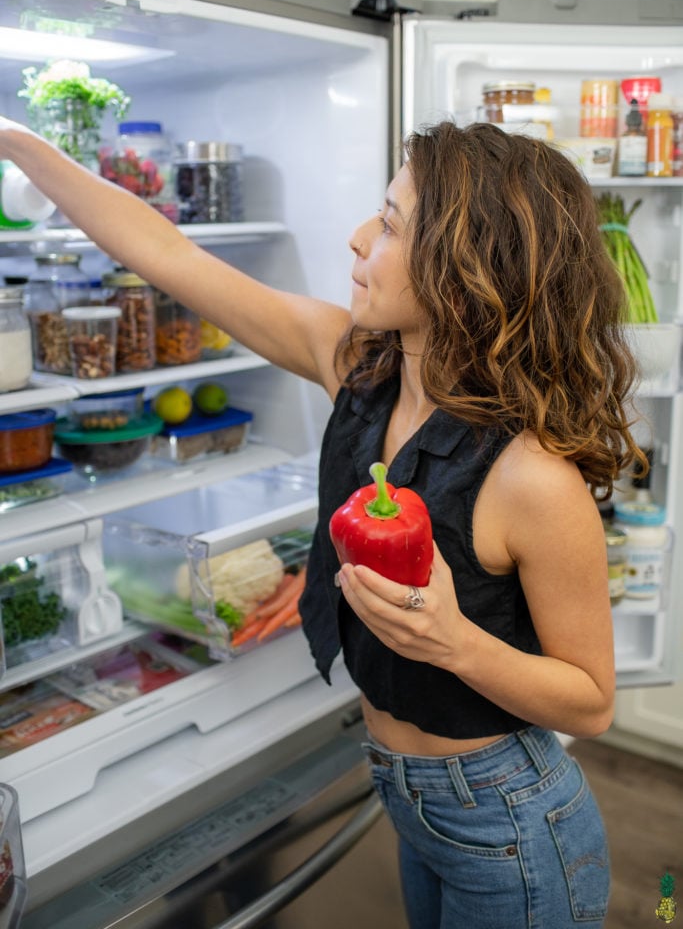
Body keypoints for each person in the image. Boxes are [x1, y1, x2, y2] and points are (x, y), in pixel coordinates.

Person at [0, 116, 645, 928]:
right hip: (405, 791)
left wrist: (454, 640)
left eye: (388, 222)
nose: (354, 237)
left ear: (460, 275)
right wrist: (16, 141)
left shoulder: (531, 479)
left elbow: (588, 703)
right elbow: (166, 254)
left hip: (507, 818)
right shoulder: (356, 367)